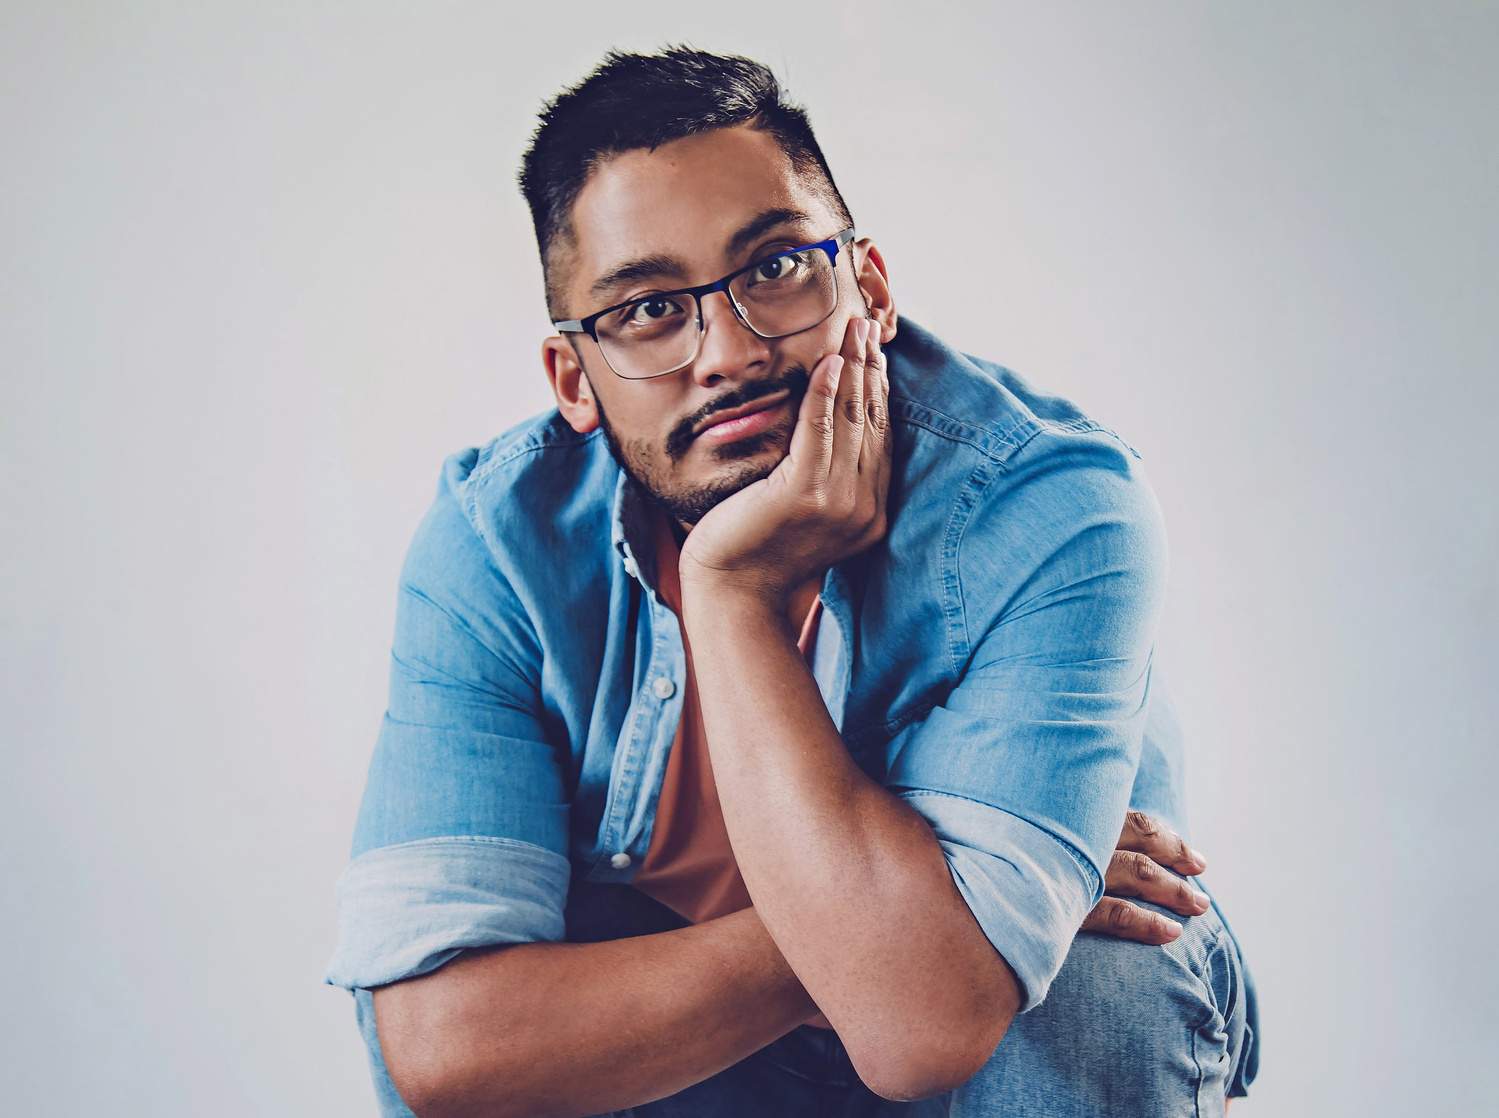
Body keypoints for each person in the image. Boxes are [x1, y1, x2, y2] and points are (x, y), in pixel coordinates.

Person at [325, 48, 1258, 1118]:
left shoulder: (1047, 503)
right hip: (706, 1057)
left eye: (774, 267)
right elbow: (441, 1047)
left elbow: (921, 1031)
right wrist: (901, 935)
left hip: (982, 1059)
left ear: (869, 287)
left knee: (1103, 975)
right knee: (491, 984)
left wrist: (730, 599)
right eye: (647, 309)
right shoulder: (495, 539)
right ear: (573, 380)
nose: (727, 352)